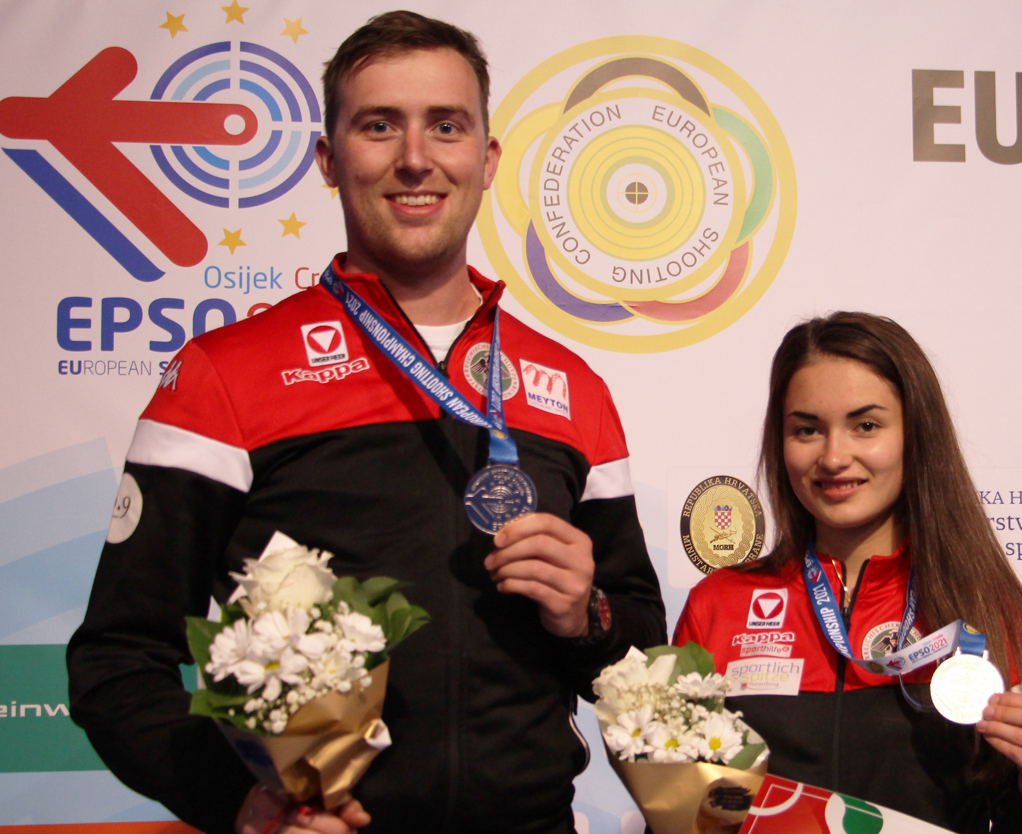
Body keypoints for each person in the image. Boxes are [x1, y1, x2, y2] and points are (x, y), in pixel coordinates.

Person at [67, 11, 664, 834]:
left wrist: (585, 612)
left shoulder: (574, 388)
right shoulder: (226, 375)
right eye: (378, 125)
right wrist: (238, 803)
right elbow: (116, 661)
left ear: (486, 161)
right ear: (328, 158)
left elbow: (639, 652)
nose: (415, 157)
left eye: (445, 126)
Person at [673, 312, 1022, 833]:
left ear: (916, 435)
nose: (834, 456)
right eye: (807, 429)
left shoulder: (983, 603)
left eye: (865, 425)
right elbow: (680, 814)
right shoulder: (719, 603)